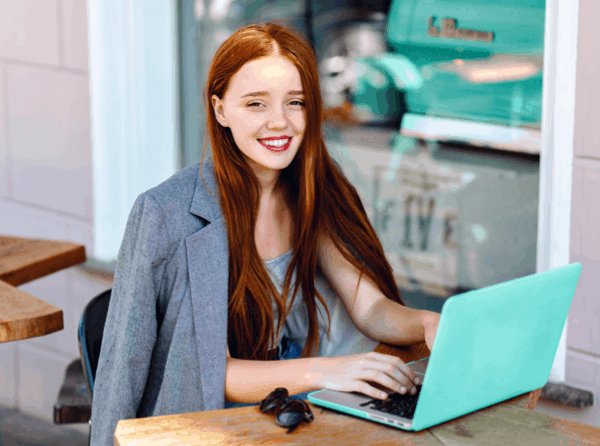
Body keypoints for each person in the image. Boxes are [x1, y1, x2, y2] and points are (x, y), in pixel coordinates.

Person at [90, 21, 440, 445]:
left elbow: (369, 309)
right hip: (215, 424)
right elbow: (186, 370)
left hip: (298, 410)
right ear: (220, 109)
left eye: (295, 102)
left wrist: (426, 323)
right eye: (256, 104)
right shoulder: (166, 212)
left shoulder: (315, 187)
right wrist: (333, 369)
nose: (280, 122)